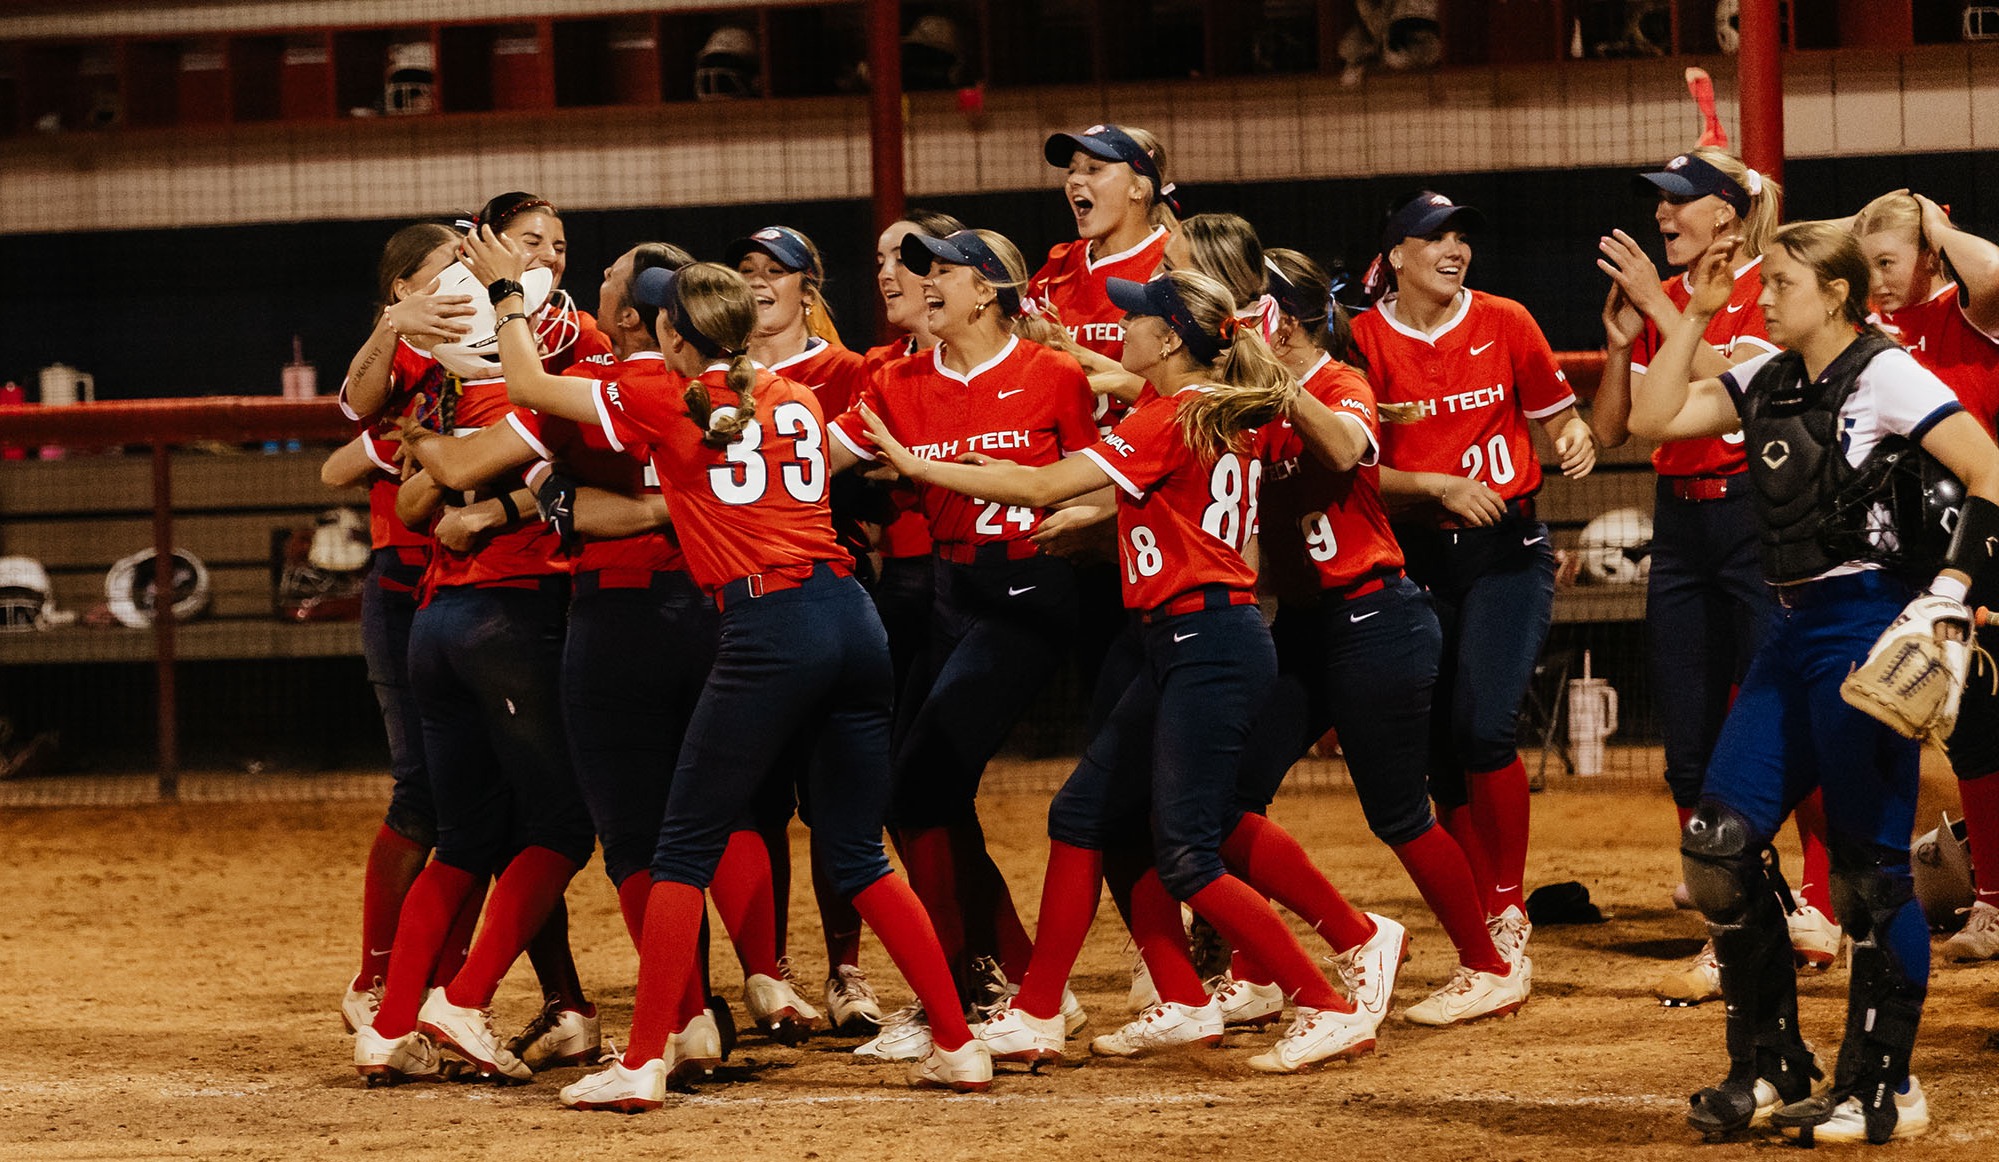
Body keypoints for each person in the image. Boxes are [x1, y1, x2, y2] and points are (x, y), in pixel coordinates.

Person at [477, 242, 992, 1109]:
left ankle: (644, 1061)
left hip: (769, 626)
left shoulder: (662, 390)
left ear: (675, 336)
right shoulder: (791, 393)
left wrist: (506, 296)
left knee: (679, 852)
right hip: (850, 619)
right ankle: (959, 1043)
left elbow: (526, 385)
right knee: (858, 852)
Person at [863, 269, 1382, 1075]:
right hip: (1190, 637)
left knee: (1189, 856)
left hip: (1205, 642)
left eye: (1139, 319)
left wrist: (918, 466)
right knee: (1081, 816)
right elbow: (1150, 492)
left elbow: (1041, 482)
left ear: (1170, 339)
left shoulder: (1172, 412)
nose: (1124, 327)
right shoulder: (1202, 406)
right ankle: (1038, 1011)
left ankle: (1325, 1003)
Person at [1629, 222, 1999, 1144]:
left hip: (1865, 623)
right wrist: (1693, 315)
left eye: (1780, 283)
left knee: (1869, 876)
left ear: (1834, 293)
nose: (1762, 296)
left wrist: (1950, 590)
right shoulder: (1765, 376)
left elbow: (1989, 467)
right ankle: (1769, 1066)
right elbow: (1652, 420)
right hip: (1789, 628)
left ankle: (1886, 1085)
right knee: (1717, 848)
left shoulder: (1885, 374)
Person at [394, 241, 787, 1071]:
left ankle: (665, 1016)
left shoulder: (599, 385)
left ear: (641, 319)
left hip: (613, 620)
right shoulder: (746, 391)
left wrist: (424, 432)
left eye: (608, 280)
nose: (589, 285)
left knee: (627, 838)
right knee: (714, 820)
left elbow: (462, 460)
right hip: (716, 612)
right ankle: (742, 992)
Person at [1233, 246, 1525, 1028]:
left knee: (1397, 813)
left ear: (1282, 322)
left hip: (1374, 621)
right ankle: (1258, 969)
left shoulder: (1338, 383)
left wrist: (1274, 382)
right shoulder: (1250, 403)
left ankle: (1488, 966)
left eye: (1250, 308)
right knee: (1227, 796)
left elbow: (1342, 448)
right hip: (1303, 626)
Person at [825, 227, 1099, 1055]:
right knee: (920, 796)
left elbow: (1103, 480)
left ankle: (957, 993)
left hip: (1028, 591)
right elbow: (814, 455)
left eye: (942, 271)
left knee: (921, 787)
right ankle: (1005, 977)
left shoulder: (1052, 373)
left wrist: (1078, 518)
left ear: (986, 290)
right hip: (950, 590)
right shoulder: (896, 380)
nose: (924, 283)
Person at [1595, 148, 1842, 1003]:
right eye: (1659, 202)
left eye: (1679, 201)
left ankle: (1819, 903)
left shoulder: (1768, 288)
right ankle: (1732, 923)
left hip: (1752, 519)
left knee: (1789, 717)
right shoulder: (1667, 298)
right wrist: (1622, 344)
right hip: (1681, 523)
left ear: (1726, 216)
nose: (1661, 215)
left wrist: (1666, 308)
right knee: (1687, 742)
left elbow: (1745, 385)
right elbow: (1622, 427)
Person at [1349, 191, 1597, 977]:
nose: (1453, 249)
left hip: (1505, 552)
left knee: (1485, 728)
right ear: (1395, 256)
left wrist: (1574, 433)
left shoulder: (1505, 320)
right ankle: (1478, 906)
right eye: (1434, 238)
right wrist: (1436, 486)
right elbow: (1353, 467)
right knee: (1438, 751)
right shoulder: (1359, 339)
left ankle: (1506, 904)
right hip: (1414, 556)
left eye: (1460, 237)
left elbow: (1557, 415)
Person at [322, 221, 467, 1037]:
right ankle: (376, 977)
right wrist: (392, 328)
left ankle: (457, 984)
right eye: (445, 266)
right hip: (408, 586)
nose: (463, 276)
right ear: (403, 287)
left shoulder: (500, 346)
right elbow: (346, 428)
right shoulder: (405, 354)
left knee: (490, 800)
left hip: (484, 587)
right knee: (422, 788)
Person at [1852, 190, 1999, 963]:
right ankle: (1977, 903)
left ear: (1930, 258)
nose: (1875, 277)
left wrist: (1934, 226)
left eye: (1888, 260)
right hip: (1898, 554)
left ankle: (1989, 901)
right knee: (1956, 734)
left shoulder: (1968, 312)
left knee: (1984, 724)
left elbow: (1994, 272)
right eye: (1865, 263)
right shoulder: (1861, 332)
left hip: (1982, 543)